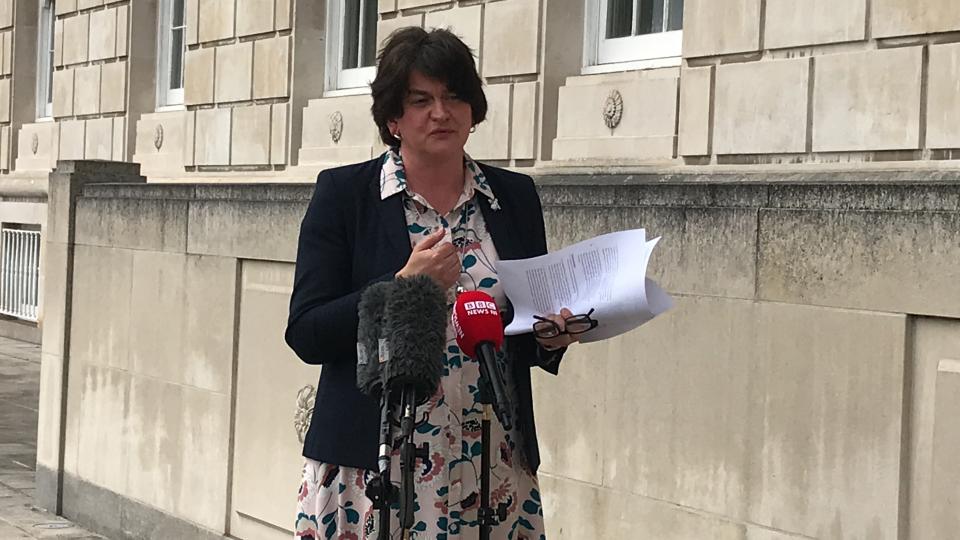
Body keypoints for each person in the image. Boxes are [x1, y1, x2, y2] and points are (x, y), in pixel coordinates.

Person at [285, 27, 580, 540]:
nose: (441, 113)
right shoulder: (345, 195)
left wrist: (549, 337)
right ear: (393, 119)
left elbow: (521, 326)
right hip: (374, 469)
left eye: (453, 96)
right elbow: (307, 332)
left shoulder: (513, 197)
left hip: (490, 461)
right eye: (421, 100)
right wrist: (401, 284)